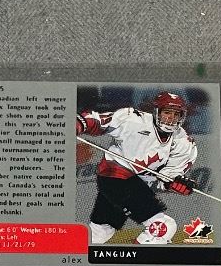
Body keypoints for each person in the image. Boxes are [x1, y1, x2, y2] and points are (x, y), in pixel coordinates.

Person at [76, 91, 198, 247]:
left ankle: (68, 253)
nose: (171, 118)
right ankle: (137, 260)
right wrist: (80, 124)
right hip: (115, 177)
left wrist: (174, 183)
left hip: (137, 184)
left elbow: (167, 176)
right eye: (167, 112)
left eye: (176, 114)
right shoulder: (133, 119)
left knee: (101, 231)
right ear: (156, 112)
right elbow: (99, 122)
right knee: (163, 227)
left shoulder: (184, 142)